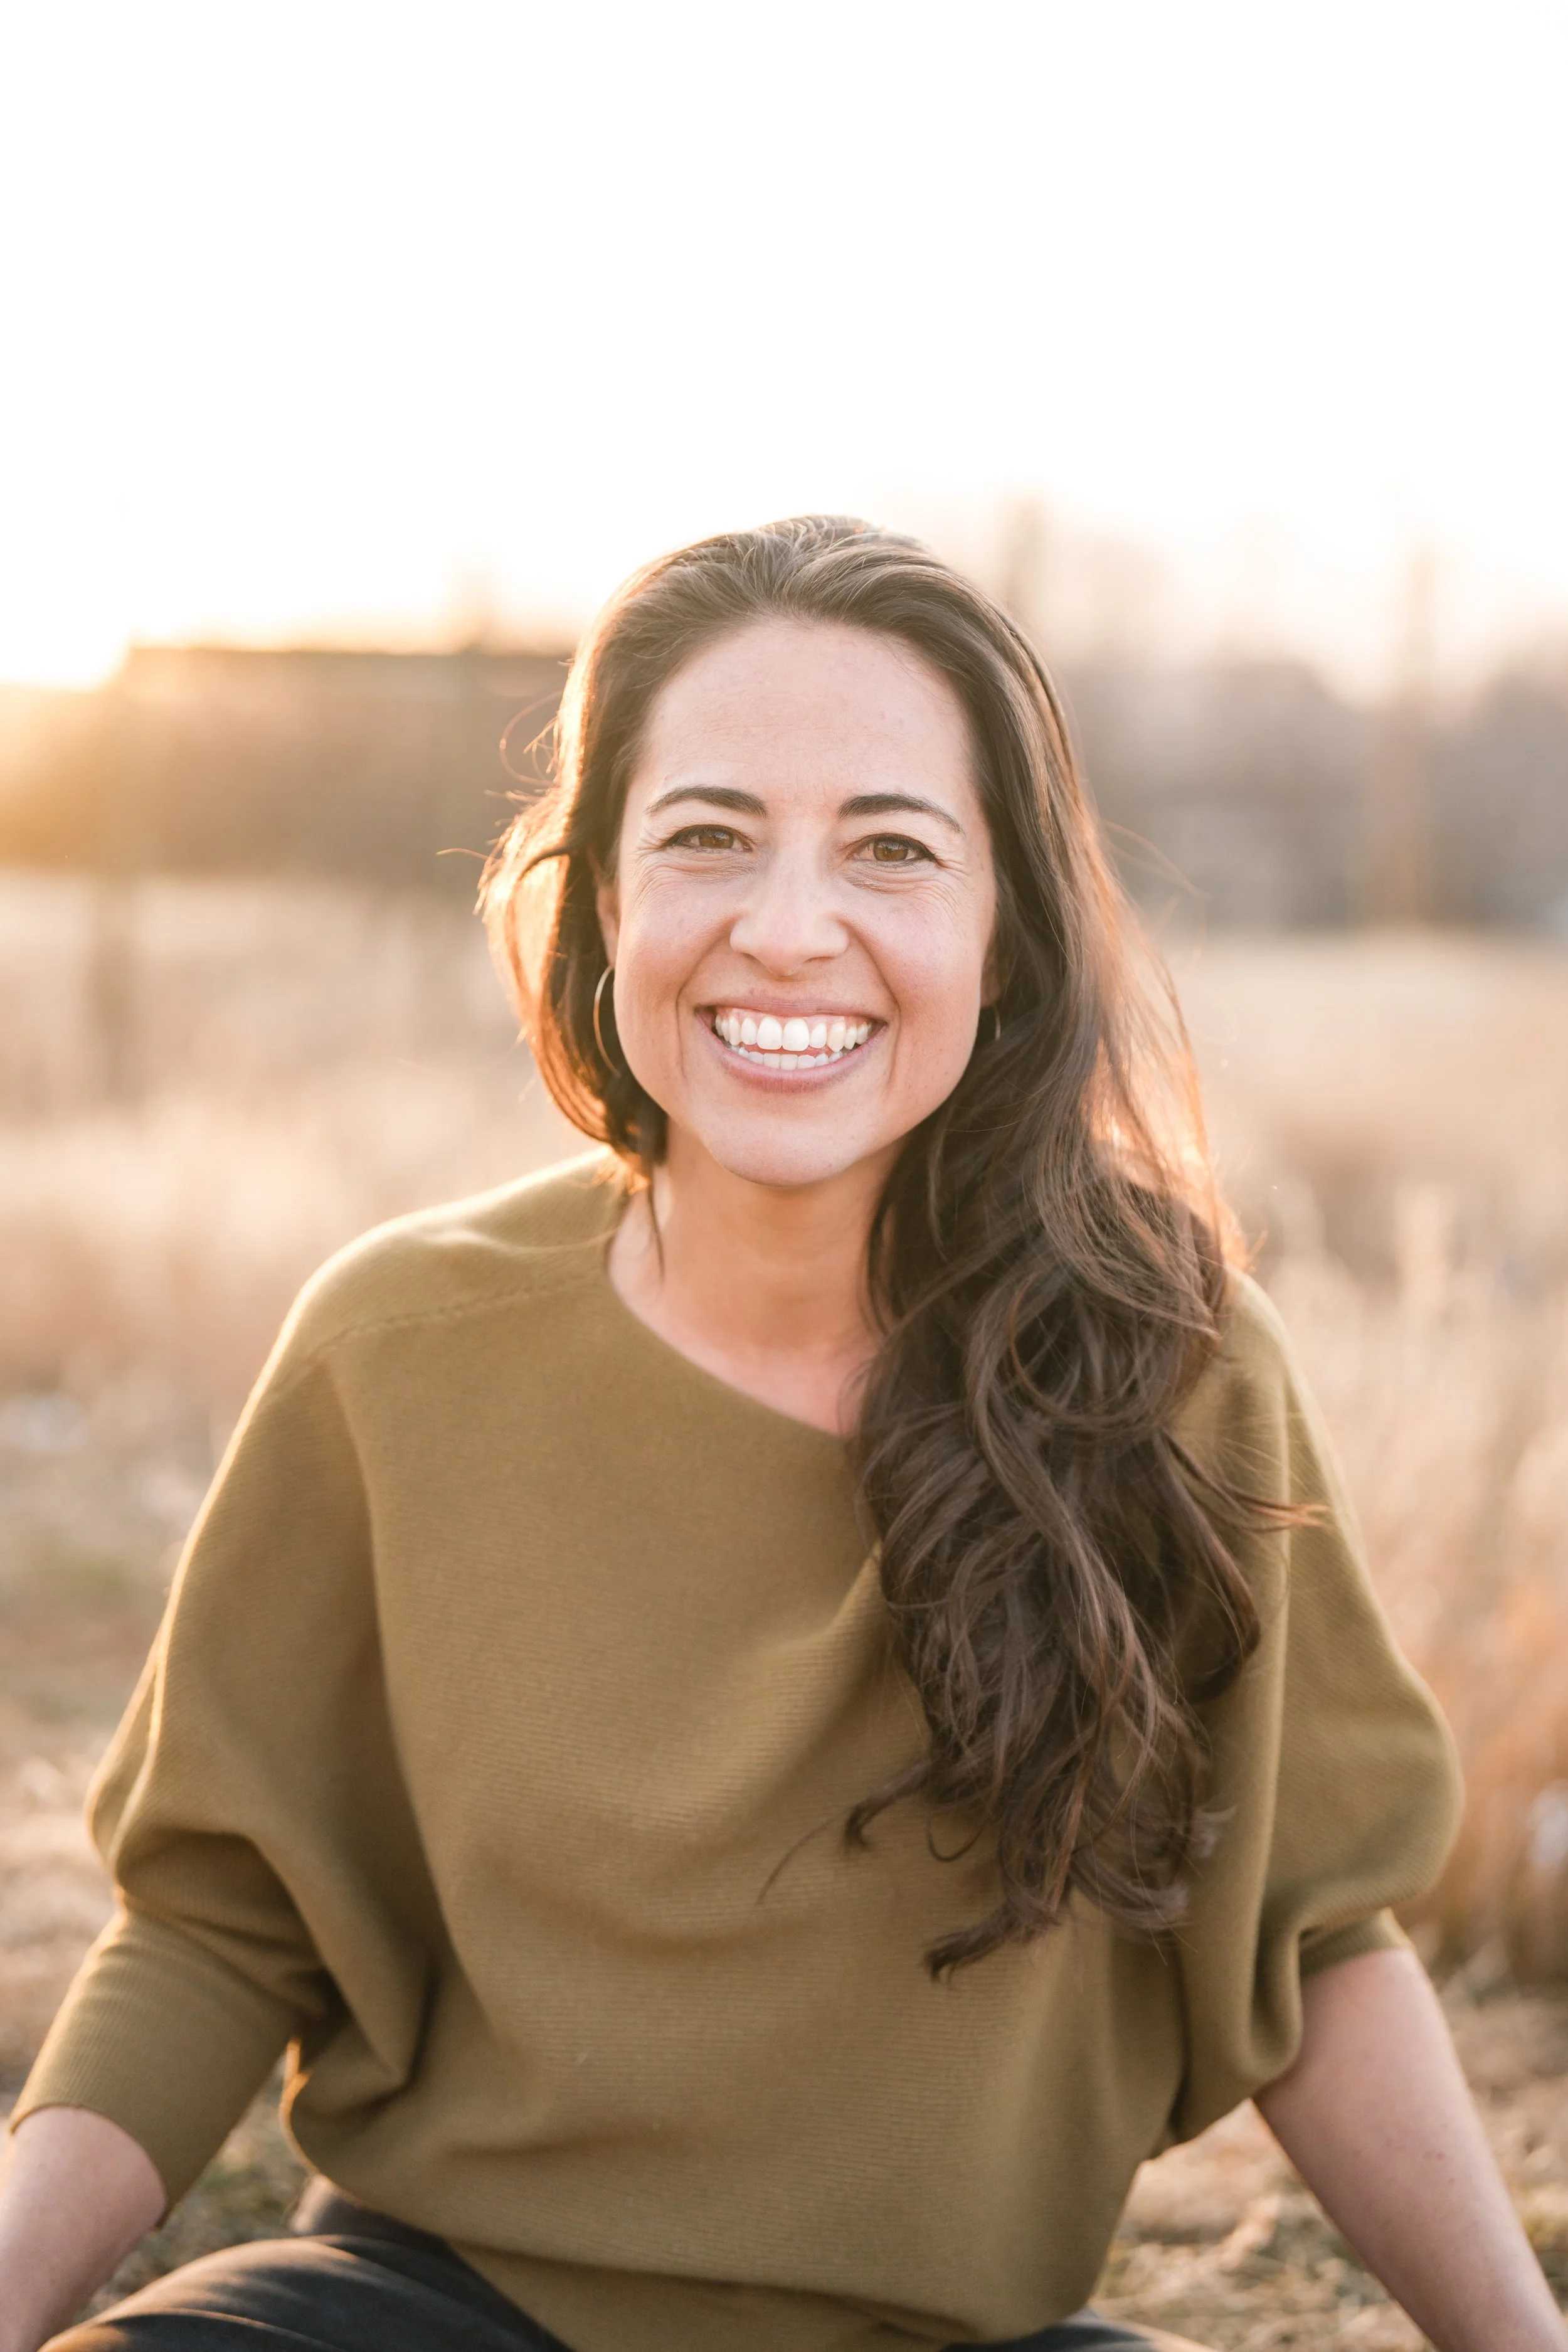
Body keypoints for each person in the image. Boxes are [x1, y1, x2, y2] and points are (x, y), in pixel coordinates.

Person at [0, 516, 1559, 2352]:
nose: (789, 926)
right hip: (436, 2306)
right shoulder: (393, 1348)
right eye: (708, 837)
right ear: (596, 902)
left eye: (890, 848)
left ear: (1005, 925)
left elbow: (1308, 1938)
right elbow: (215, 1923)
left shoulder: (1172, 1372)